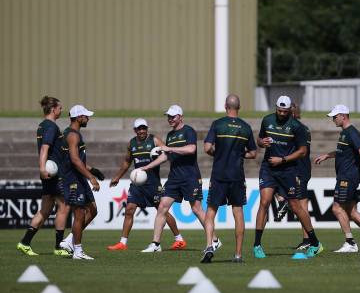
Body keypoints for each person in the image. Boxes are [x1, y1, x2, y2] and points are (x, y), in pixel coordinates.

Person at [254, 95, 323, 259]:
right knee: (264, 201)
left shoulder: (297, 126)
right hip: (268, 167)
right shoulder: (267, 120)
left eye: (285, 111)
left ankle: (315, 243)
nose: (282, 113)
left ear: (290, 110)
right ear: (275, 108)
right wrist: (261, 142)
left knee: (296, 206)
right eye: (279, 110)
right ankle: (257, 245)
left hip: (288, 170)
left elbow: (302, 151)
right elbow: (259, 139)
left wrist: (283, 159)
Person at [138, 105, 209, 253]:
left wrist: (170, 149)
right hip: (174, 178)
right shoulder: (170, 135)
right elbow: (165, 155)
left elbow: (191, 149)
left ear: (180, 116)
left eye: (173, 116)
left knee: (196, 209)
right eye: (168, 116)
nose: (170, 119)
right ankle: (155, 244)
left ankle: (214, 239)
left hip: (190, 177)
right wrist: (148, 167)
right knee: (162, 206)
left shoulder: (188, 131)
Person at [107, 118, 186, 251]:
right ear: (135, 130)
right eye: (139, 128)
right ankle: (122, 243)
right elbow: (127, 161)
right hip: (137, 183)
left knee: (163, 211)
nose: (142, 131)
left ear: (147, 129)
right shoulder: (131, 143)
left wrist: (159, 154)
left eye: (144, 128)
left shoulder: (154, 140)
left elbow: (167, 154)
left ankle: (179, 239)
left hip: (152, 183)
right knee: (129, 210)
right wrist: (117, 177)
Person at [202, 94, 257, 263]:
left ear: (226, 106)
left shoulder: (218, 124)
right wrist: (241, 154)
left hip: (219, 174)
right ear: (238, 107)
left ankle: (210, 245)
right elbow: (253, 153)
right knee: (238, 213)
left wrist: (216, 153)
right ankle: (238, 254)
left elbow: (207, 148)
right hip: (237, 176)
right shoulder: (246, 127)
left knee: (211, 212)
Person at [17, 96, 71, 257]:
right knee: (63, 207)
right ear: (53, 109)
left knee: (45, 210)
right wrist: (42, 167)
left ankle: (24, 242)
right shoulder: (51, 126)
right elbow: (44, 149)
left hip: (48, 173)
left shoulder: (42, 125)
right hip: (54, 174)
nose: (62, 110)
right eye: (60, 108)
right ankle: (58, 246)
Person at [315, 104, 360, 253]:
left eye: (335, 116)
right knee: (352, 213)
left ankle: (350, 242)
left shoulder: (352, 132)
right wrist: (328, 155)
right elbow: (343, 151)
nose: (333, 119)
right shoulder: (344, 133)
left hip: (347, 178)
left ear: (343, 116)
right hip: (346, 177)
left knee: (336, 208)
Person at [57, 105, 102, 260]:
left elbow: (76, 159)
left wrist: (92, 170)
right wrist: (91, 177)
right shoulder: (73, 135)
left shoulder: (74, 134)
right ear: (78, 118)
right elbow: (75, 160)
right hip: (73, 180)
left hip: (79, 178)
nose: (87, 118)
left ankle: (69, 241)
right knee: (79, 214)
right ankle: (78, 251)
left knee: (93, 210)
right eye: (85, 116)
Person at [275, 103, 313, 251]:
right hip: (300, 169)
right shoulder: (304, 128)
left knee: (301, 206)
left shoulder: (296, 128)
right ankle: (283, 201)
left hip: (298, 170)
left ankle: (307, 239)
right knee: (297, 203)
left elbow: (299, 151)